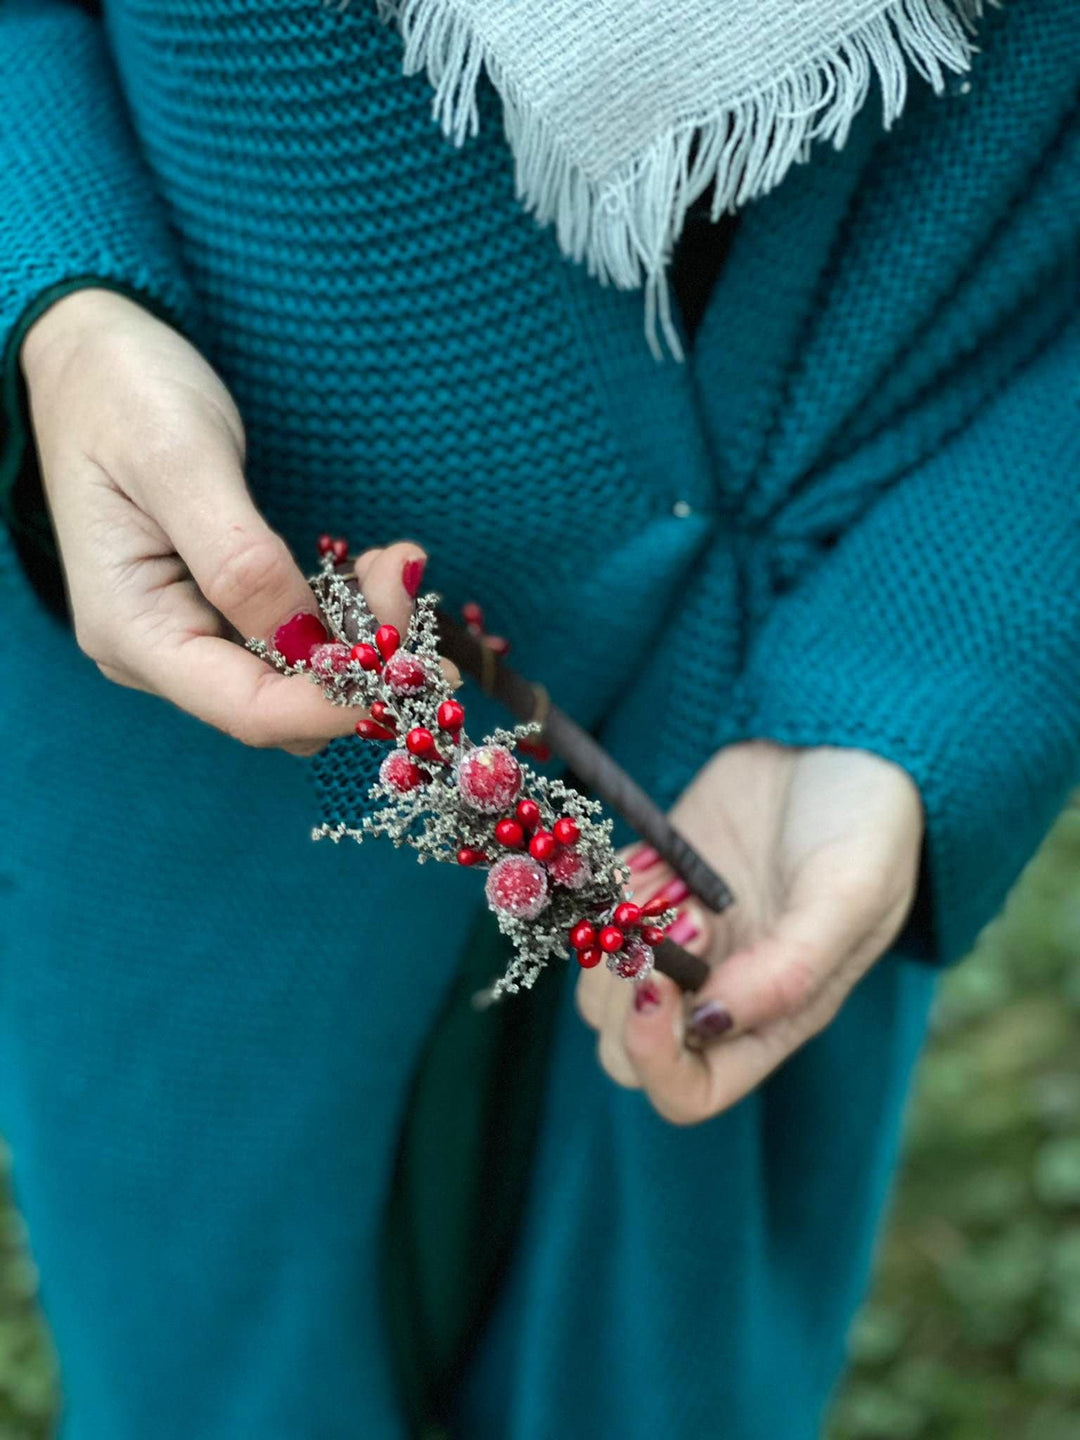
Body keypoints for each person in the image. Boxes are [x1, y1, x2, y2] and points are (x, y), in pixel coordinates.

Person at [1, 1, 1077, 1436]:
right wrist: (55, 291)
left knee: (672, 1345)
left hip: (838, 672)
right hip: (173, 717)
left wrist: (938, 659)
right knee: (201, 1318)